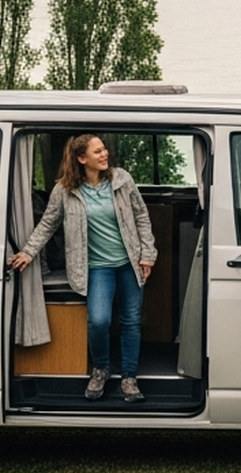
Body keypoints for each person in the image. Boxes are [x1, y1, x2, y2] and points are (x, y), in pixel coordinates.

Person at [11, 134, 157, 403]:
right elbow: (48, 224)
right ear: (81, 158)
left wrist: (147, 255)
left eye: (104, 150)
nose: (104, 155)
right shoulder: (64, 190)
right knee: (99, 321)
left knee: (131, 322)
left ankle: (129, 377)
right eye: (97, 151)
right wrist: (29, 251)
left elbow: (141, 216)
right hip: (97, 268)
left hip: (129, 264)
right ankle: (100, 369)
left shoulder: (122, 180)